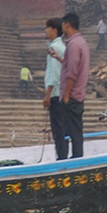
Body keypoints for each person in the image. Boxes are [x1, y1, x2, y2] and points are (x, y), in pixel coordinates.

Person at [56, 11, 90, 161]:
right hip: (78, 93)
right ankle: (76, 156)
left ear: (67, 25)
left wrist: (66, 94)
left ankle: (74, 158)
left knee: (69, 130)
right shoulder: (81, 42)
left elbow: (72, 73)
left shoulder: (73, 45)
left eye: (63, 25)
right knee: (75, 129)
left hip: (72, 95)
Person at [41, 17, 67, 153]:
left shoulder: (55, 48)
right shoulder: (63, 47)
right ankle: (63, 154)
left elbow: (54, 74)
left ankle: (61, 157)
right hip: (62, 92)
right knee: (63, 127)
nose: (46, 31)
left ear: (54, 30)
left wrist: (47, 95)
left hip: (55, 93)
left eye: (48, 28)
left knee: (58, 129)